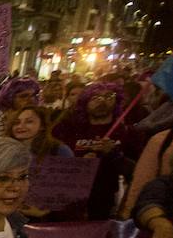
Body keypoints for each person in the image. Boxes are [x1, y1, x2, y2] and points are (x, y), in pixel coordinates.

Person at [51, 81, 133, 219]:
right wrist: (77, 163)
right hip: (68, 197)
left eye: (109, 96)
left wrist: (113, 154)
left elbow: (135, 170)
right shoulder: (67, 128)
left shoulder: (126, 132)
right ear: (85, 102)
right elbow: (51, 161)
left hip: (105, 201)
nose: (102, 101)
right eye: (95, 97)